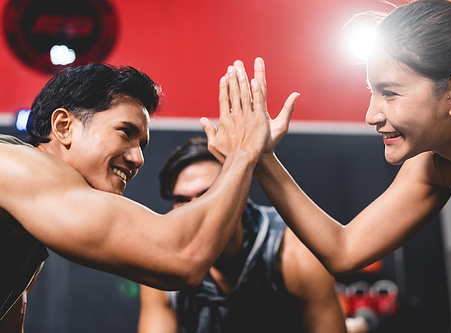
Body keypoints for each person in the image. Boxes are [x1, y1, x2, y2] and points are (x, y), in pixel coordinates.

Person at [203, 0, 451, 281]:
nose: (371, 115)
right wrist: (262, 156)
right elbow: (344, 250)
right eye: (372, 91)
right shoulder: (439, 164)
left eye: (390, 93)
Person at [0, 62, 269, 332]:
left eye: (141, 145)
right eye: (125, 133)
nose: (138, 158)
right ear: (64, 126)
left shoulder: (27, 226)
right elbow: (183, 255)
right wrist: (243, 152)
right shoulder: (15, 166)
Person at [137, 137, 352, 333]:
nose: (195, 211)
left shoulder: (294, 254)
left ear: (239, 194)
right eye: (182, 200)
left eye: (208, 194)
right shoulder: (162, 266)